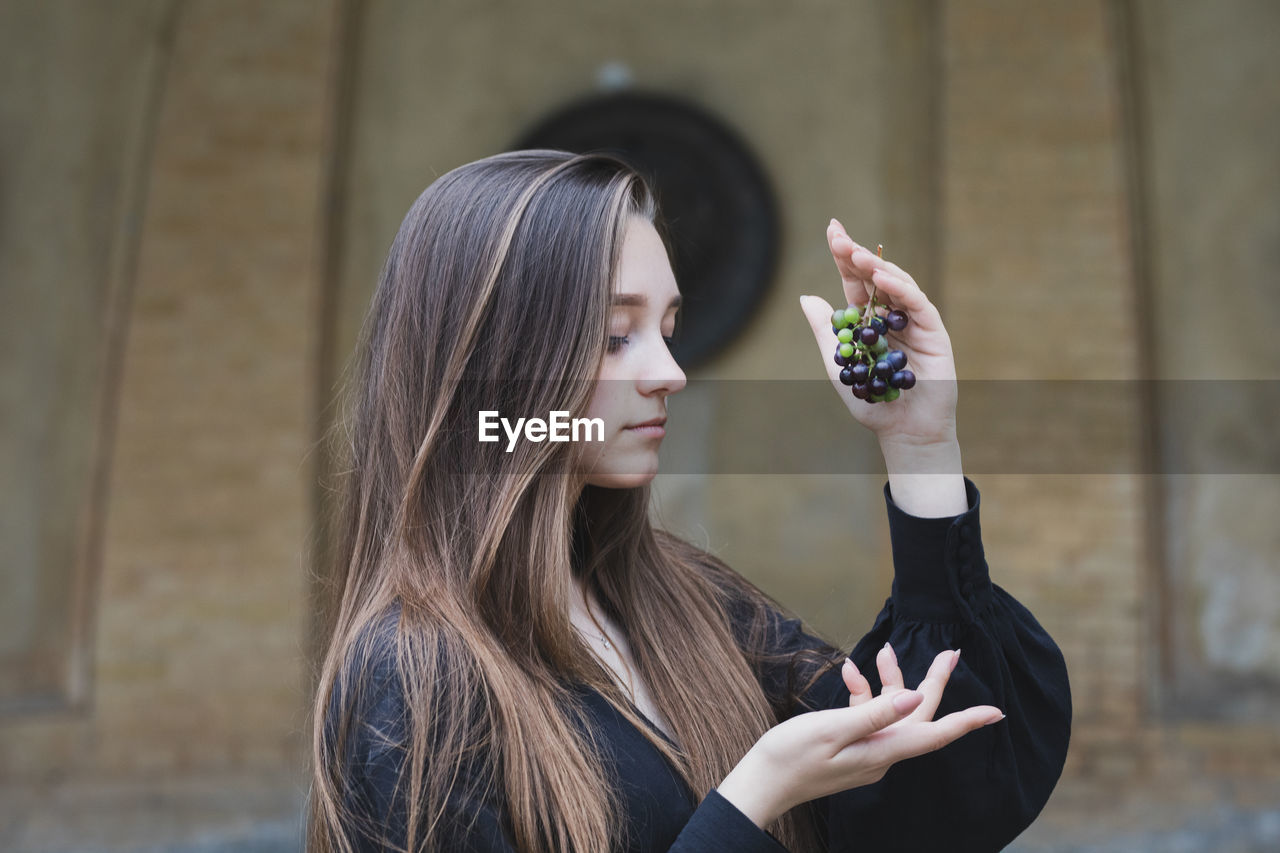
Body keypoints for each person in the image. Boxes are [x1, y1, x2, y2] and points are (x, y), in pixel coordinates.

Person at [305, 149, 1072, 853]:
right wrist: (755, 792)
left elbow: (948, 792)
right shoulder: (408, 683)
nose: (669, 370)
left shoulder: (688, 600)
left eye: (669, 328)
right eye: (615, 336)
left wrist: (920, 444)